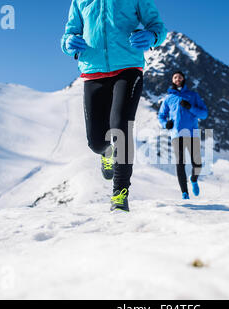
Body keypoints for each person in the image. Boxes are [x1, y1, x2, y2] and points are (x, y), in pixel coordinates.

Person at [61, 0, 166, 213]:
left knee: (121, 127)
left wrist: (152, 36)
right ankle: (106, 151)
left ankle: (120, 193)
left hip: (127, 67)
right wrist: (69, 43)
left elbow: (157, 26)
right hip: (93, 71)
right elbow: (69, 33)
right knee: (96, 142)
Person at [158, 71, 208, 199]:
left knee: (197, 164)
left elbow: (204, 114)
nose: (177, 79)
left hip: (192, 133)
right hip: (176, 134)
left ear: (183, 79)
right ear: (172, 80)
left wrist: (191, 107)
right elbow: (161, 116)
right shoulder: (169, 98)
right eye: (175, 77)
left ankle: (194, 179)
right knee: (180, 163)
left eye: (179, 77)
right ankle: (184, 193)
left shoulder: (193, 95)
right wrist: (165, 124)